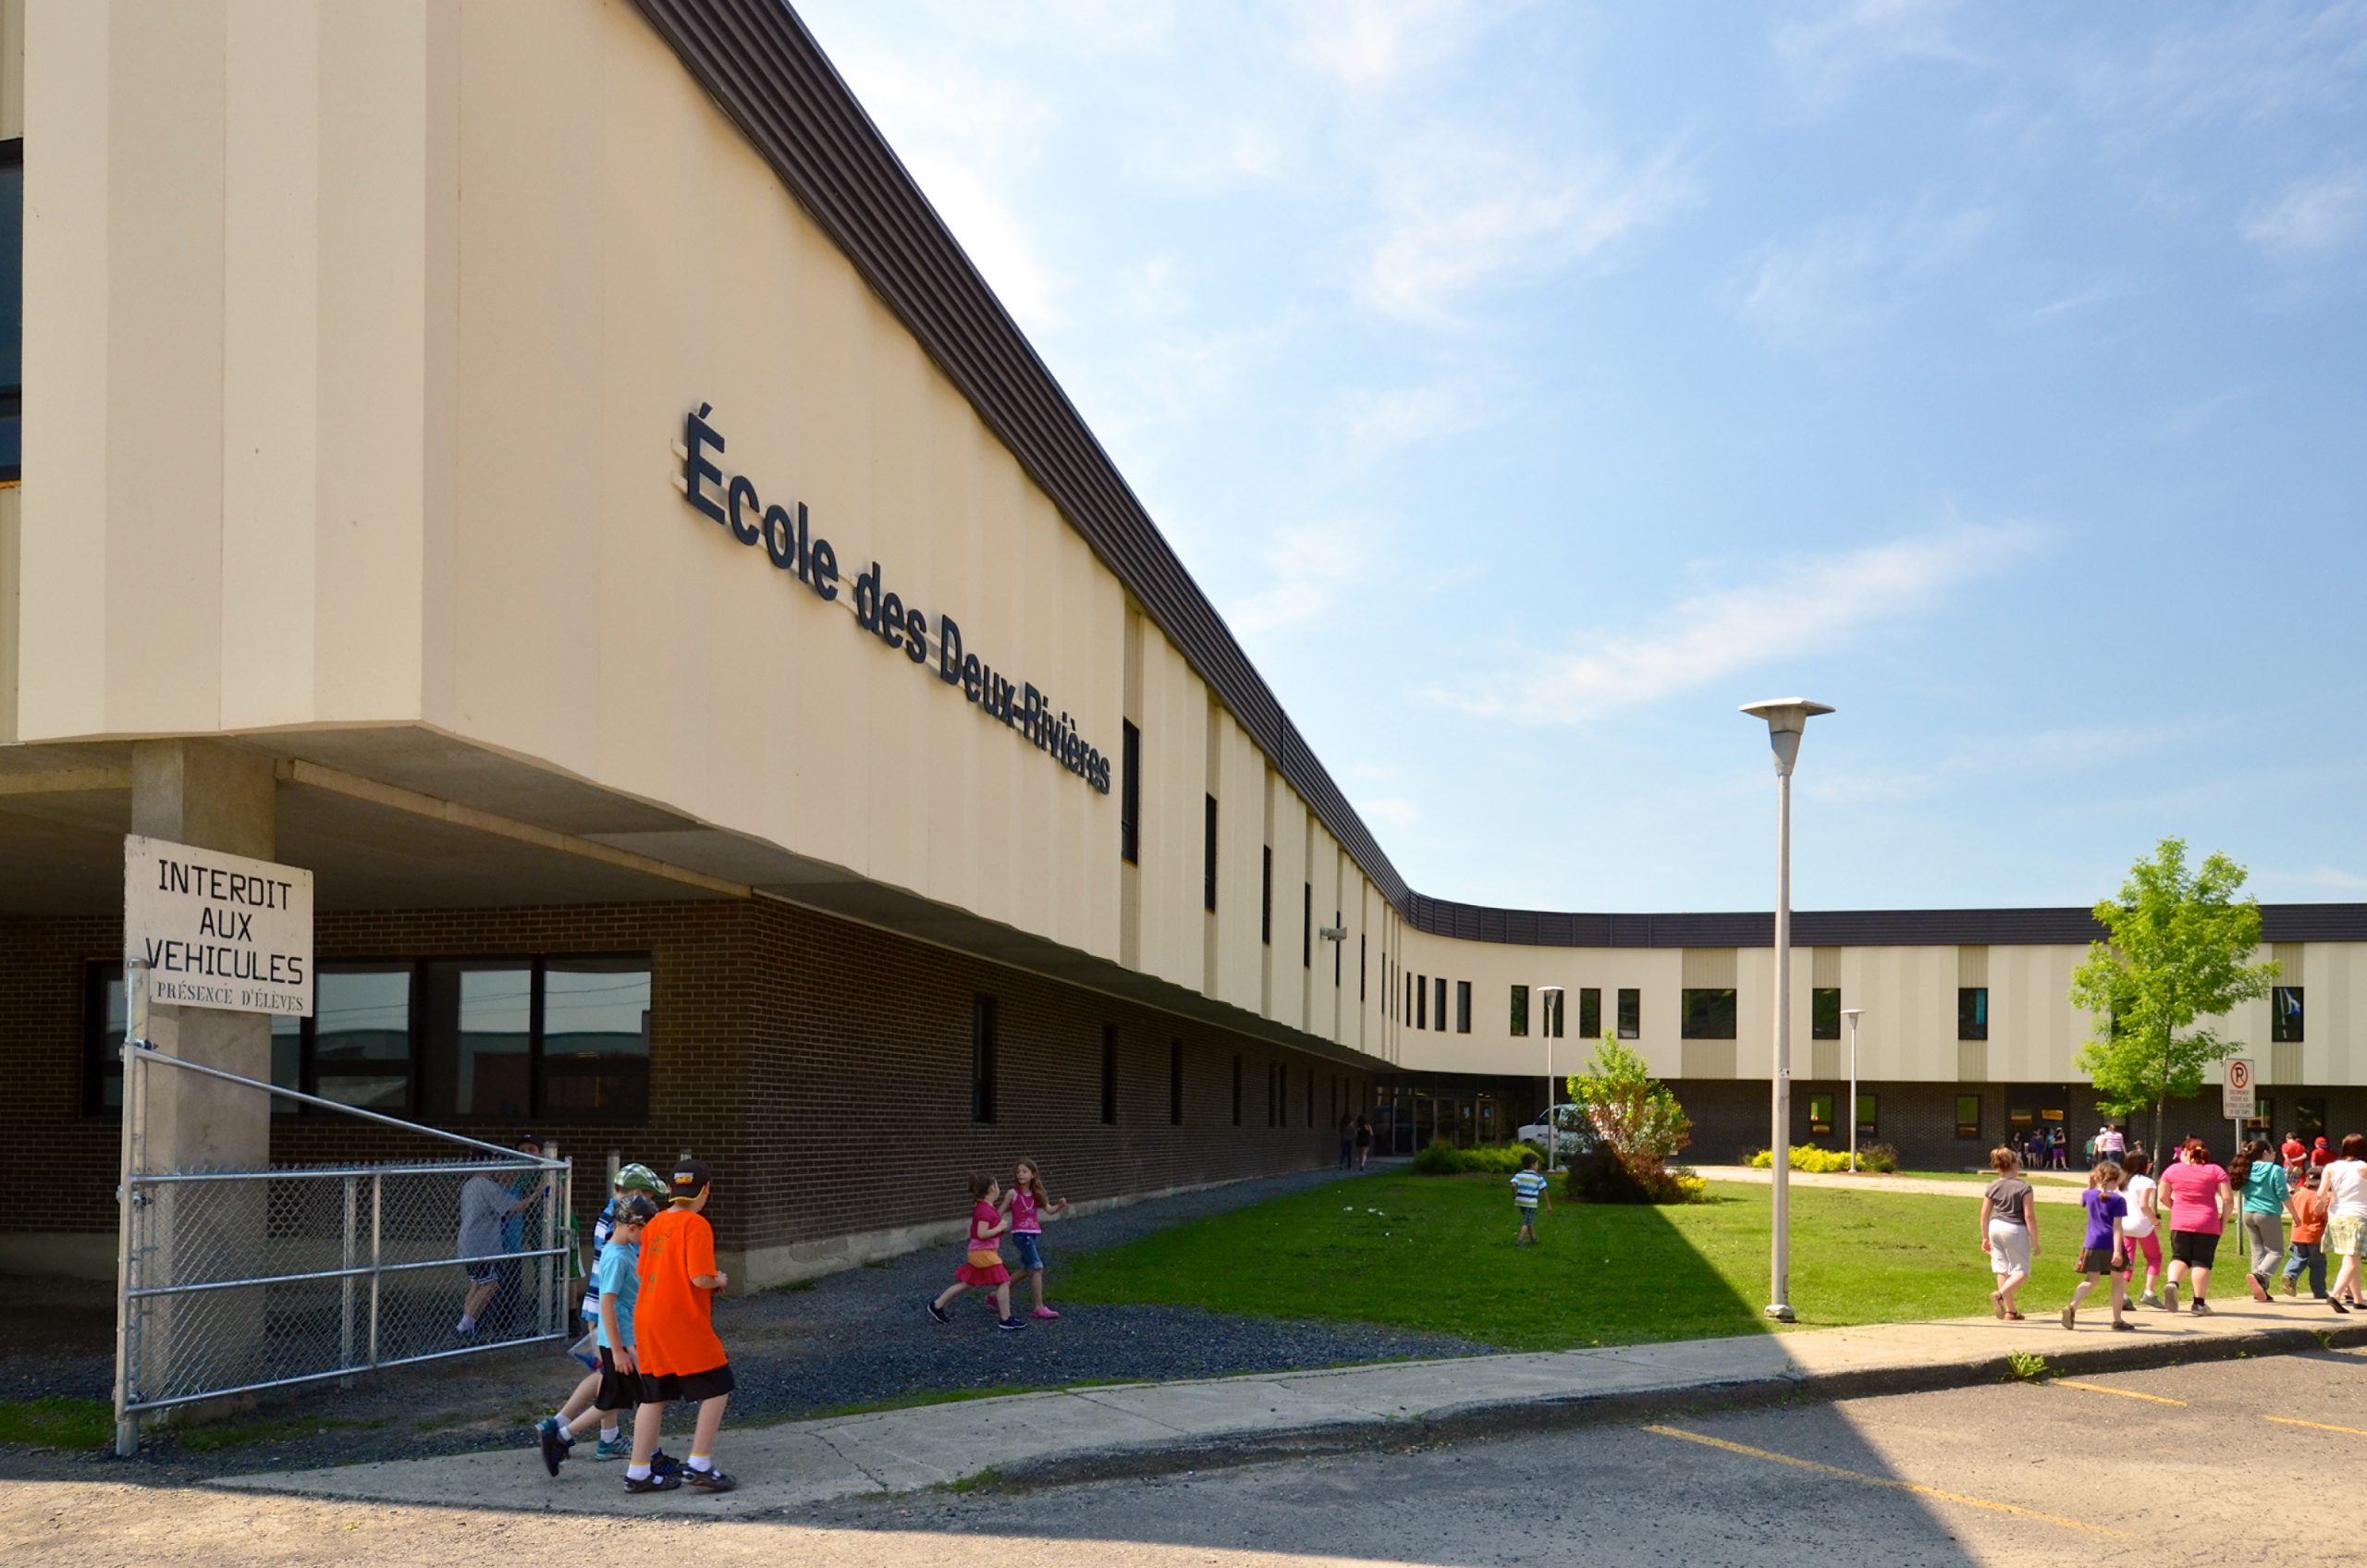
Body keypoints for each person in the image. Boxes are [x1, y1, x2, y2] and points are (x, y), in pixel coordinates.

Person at [627, 1159, 737, 1494]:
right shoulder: (697, 1224)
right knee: (718, 1385)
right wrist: (719, 1280)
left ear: (671, 1190)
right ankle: (699, 1464)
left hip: (647, 1315)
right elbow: (699, 1277)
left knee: (653, 1394)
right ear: (705, 1190)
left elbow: (643, 1271)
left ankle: (638, 1471)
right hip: (680, 1317)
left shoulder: (655, 1223)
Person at [540, 1193, 661, 1474]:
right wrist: (620, 1350)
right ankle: (652, 1457)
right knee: (650, 1397)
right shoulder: (617, 1257)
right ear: (632, 1227)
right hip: (623, 1342)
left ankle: (561, 1436)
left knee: (614, 1399)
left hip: (623, 1340)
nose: (648, 1239)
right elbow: (608, 1304)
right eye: (646, 1233)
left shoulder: (624, 1251)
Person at [577, 1164, 668, 1367]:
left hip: (602, 1302)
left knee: (607, 1374)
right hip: (611, 1308)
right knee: (610, 1368)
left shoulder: (611, 1214)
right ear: (637, 1193)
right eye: (650, 1197)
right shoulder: (619, 1227)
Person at [927, 1172, 1024, 1330]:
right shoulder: (984, 1209)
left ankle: (937, 1305)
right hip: (983, 1253)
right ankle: (1005, 1319)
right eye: (997, 1185)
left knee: (968, 1283)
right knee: (1004, 1281)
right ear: (992, 1188)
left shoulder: (985, 1207)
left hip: (981, 1252)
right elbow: (981, 1233)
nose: (998, 1188)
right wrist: (999, 1227)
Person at [455, 1167, 539, 1339]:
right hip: (481, 1245)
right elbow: (512, 1208)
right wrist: (536, 1195)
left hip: (471, 1243)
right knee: (490, 1284)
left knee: (477, 1284)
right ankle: (464, 1325)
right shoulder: (485, 1186)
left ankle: (468, 1324)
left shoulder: (470, 1184)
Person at [2157, 1139, 2231, 1315]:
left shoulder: (2172, 1170)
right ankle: (2198, 1304)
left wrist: (2176, 1207)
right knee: (2201, 1262)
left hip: (2180, 1221)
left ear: (2185, 1152)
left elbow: (2162, 1197)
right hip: (2207, 1222)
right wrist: (2223, 1221)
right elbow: (2228, 1199)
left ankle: (2172, 1283)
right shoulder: (2216, 1170)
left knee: (2179, 1258)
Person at [2064, 1162, 2132, 1332]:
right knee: (2118, 1281)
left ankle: (2072, 1306)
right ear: (2116, 1180)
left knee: (2091, 1280)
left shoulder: (2089, 1194)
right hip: (2110, 1243)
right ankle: (2117, 1319)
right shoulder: (2118, 1199)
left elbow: (2082, 1202)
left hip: (2092, 1243)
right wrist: (2118, 1251)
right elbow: (2117, 1226)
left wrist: (2090, 1185)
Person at [1003, 1158, 1070, 1321]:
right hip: (1021, 1235)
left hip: (1033, 1234)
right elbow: (1000, 1211)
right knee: (1037, 1268)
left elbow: (1049, 1210)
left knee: (1027, 1269)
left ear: (1033, 1174)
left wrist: (1059, 1206)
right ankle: (1038, 1308)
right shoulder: (1013, 1194)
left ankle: (995, 1295)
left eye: (1024, 1171)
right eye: (1018, 1172)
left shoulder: (1037, 1194)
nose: (1020, 1174)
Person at [2231, 1139, 2296, 1303]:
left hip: (2248, 1212)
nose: (2275, 1154)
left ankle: (2260, 1291)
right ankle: (2259, 1277)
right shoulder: (2275, 1169)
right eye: (2273, 1150)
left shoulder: (2246, 1168)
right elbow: (2283, 1194)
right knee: (2276, 1251)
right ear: (2266, 1152)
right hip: (2268, 1213)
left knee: (2258, 1251)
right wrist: (2295, 1215)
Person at [1980, 1146, 2038, 1320]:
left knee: (2002, 1270)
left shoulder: (1992, 1186)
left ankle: (2010, 1311)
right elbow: (2029, 1216)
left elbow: (1984, 1214)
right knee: (2022, 1271)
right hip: (2014, 1229)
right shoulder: (2024, 1187)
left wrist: (1985, 1237)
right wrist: (2035, 1242)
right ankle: (1999, 1295)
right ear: (2014, 1164)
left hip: (1995, 1226)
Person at [2322, 1133, 2367, 1315]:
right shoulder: (2363, 1167)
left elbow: (2321, 1193)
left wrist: (2321, 1203)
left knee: (2351, 1258)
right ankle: (2336, 1295)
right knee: (2352, 1259)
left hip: (2336, 1216)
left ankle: (2358, 1299)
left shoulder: (2331, 1167)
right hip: (2357, 1217)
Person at [2120, 1149, 2165, 1307]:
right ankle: (2149, 1292)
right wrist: (2155, 1221)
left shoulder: (2123, 1181)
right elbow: (2144, 1205)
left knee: (2128, 1259)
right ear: (2144, 1165)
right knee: (2154, 1257)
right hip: (2142, 1225)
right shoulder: (2146, 1182)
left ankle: (2122, 1293)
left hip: (2124, 1223)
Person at [2282, 1167, 2330, 1302]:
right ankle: (2319, 1291)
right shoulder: (2320, 1198)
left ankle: (2289, 1274)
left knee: (2297, 1258)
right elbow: (2324, 1215)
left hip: (2297, 1233)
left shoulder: (2298, 1195)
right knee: (2318, 1264)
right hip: (2315, 1235)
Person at [1511, 1151, 1550, 1245]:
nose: (1538, 1166)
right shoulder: (1538, 1177)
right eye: (1537, 1164)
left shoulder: (1519, 1174)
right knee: (1526, 1222)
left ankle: (1533, 1238)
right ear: (1532, 1164)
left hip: (1520, 1202)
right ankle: (1520, 1240)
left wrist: (1514, 1194)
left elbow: (1513, 1185)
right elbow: (1544, 1190)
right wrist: (1548, 1204)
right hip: (1530, 1203)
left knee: (1528, 1219)